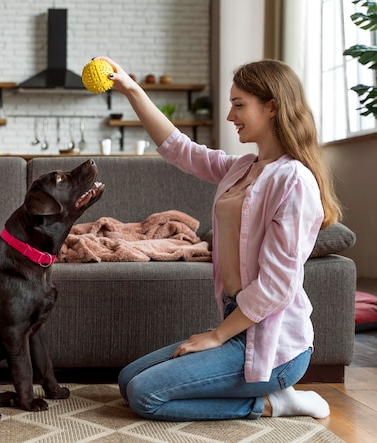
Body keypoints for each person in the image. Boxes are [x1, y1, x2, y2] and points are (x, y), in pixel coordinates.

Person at [100, 56, 341, 421]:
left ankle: (278, 402)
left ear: (272, 106)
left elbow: (277, 286)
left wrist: (217, 336)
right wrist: (132, 90)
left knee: (145, 396)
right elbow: (180, 149)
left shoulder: (293, 181)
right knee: (128, 379)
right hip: (237, 322)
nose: (231, 116)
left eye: (239, 105)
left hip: (275, 345)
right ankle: (268, 393)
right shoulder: (243, 167)